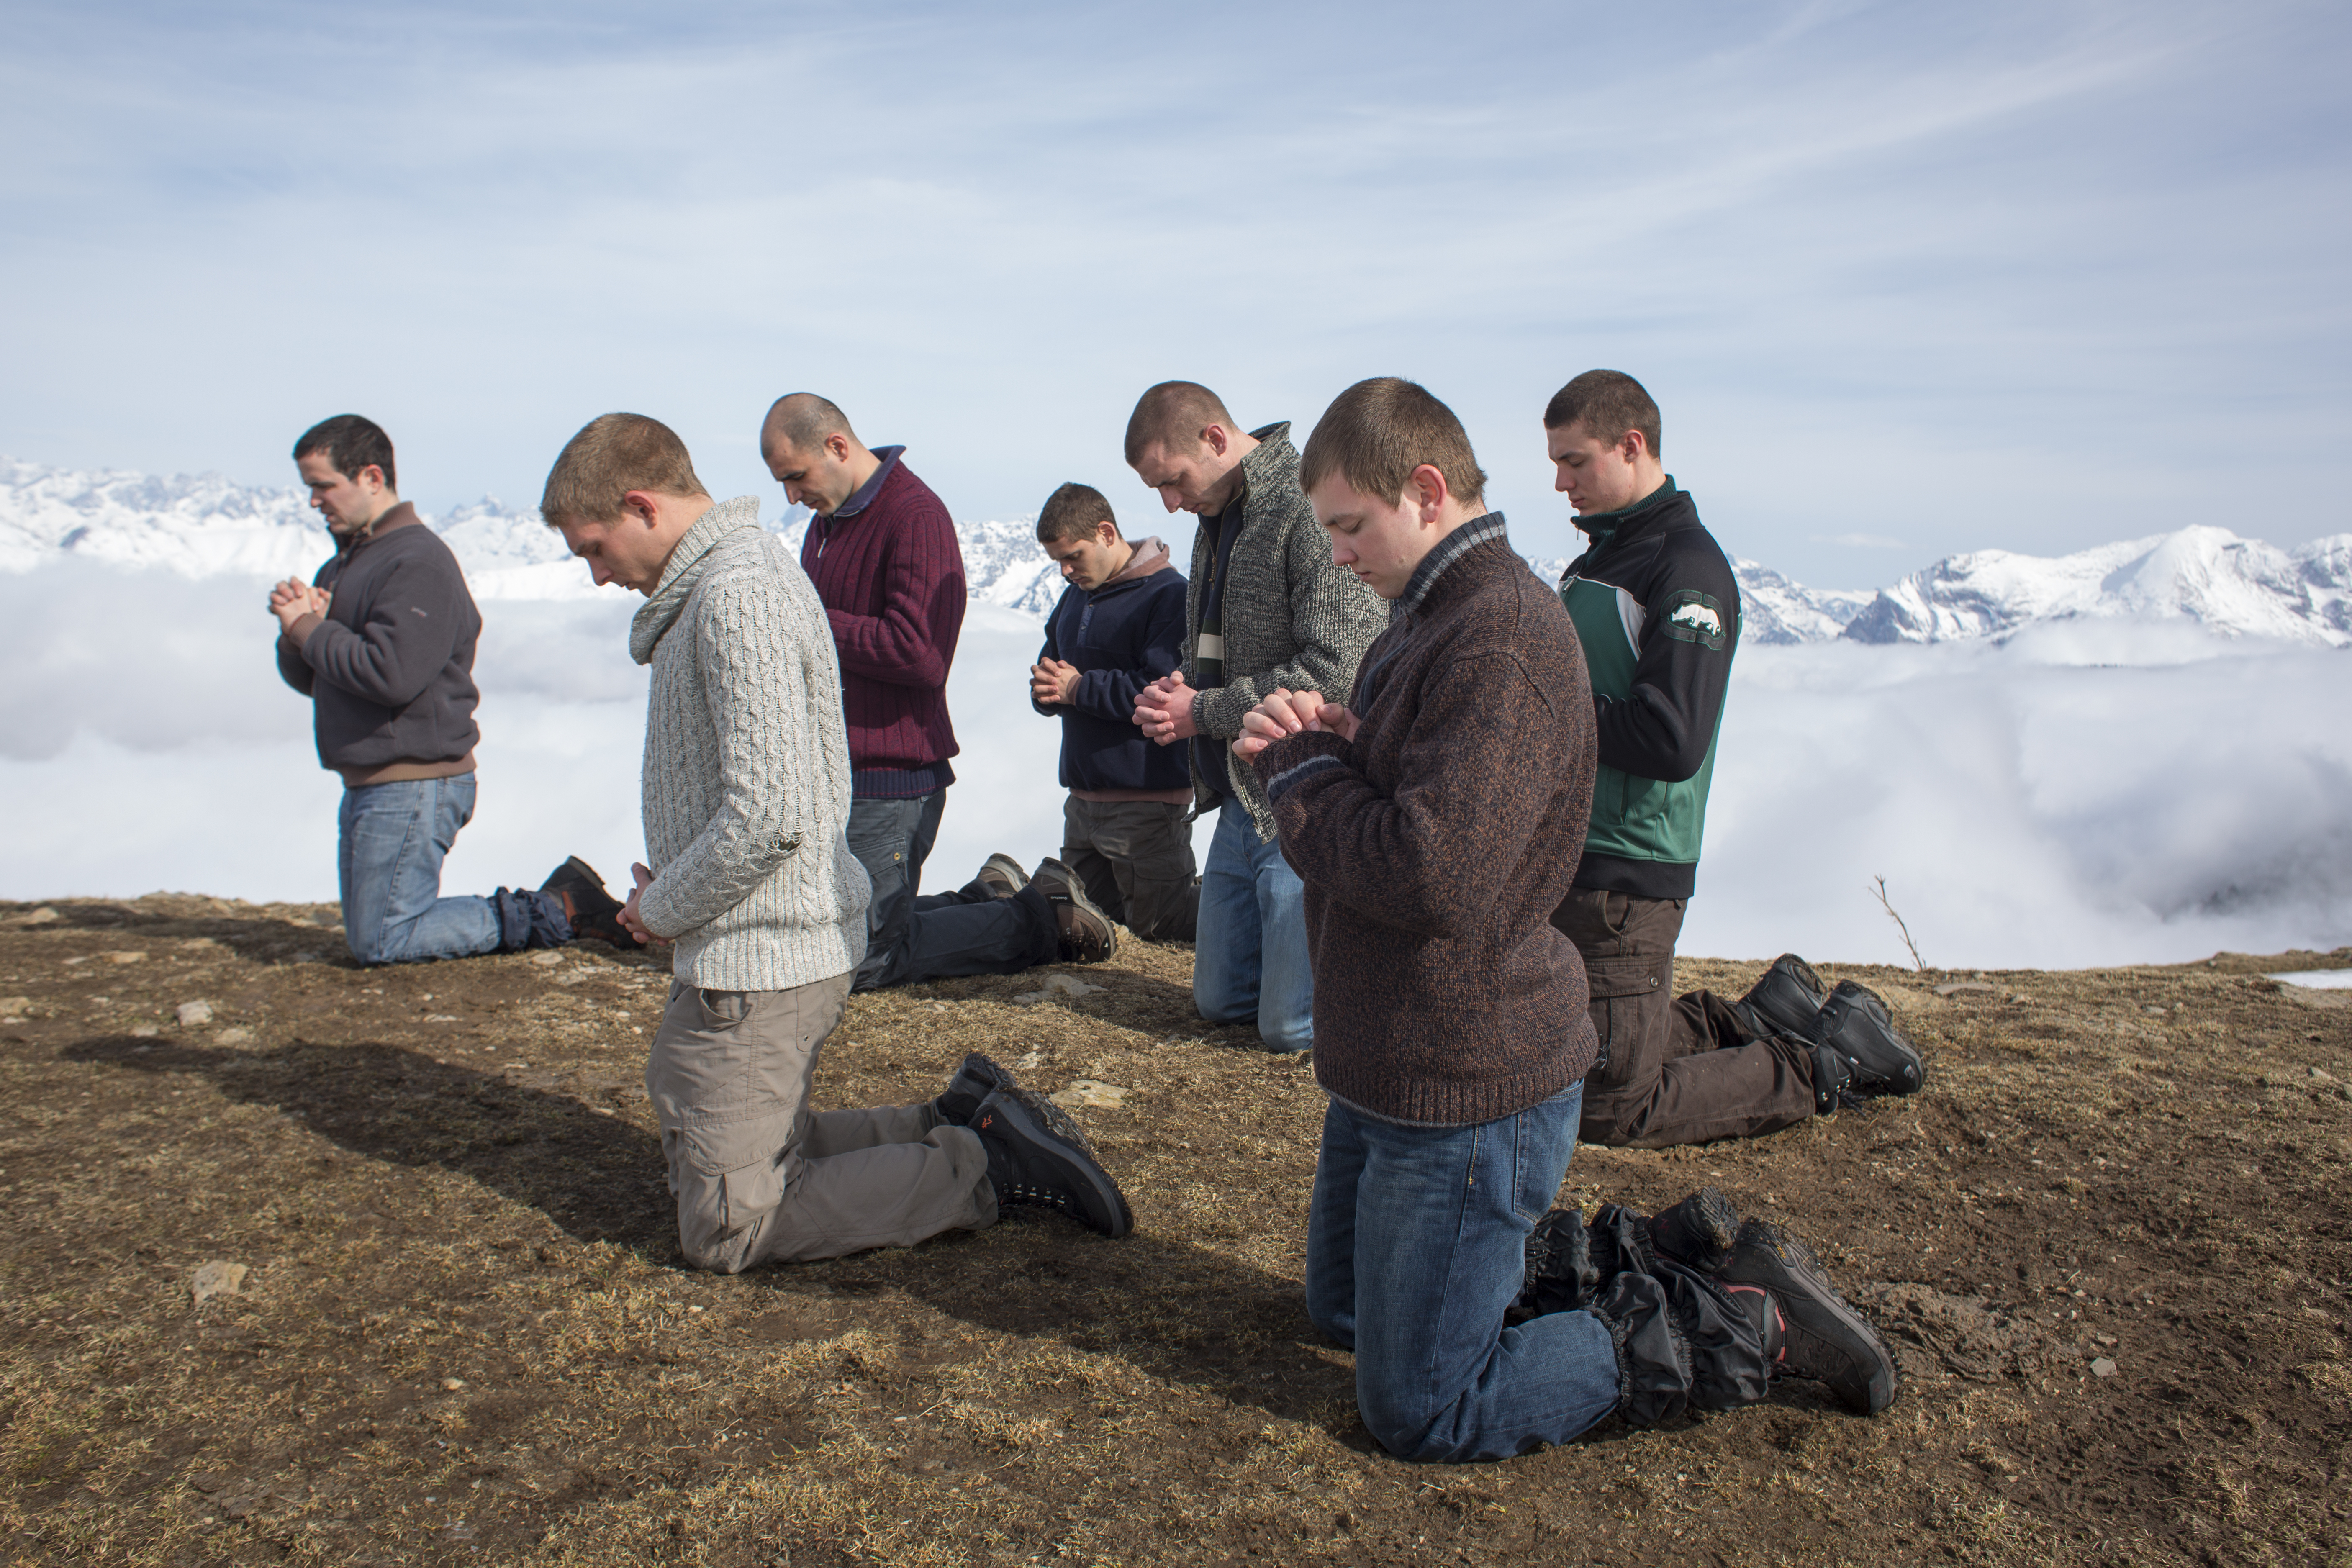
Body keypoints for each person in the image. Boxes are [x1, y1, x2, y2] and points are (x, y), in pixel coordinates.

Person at [1234, 376, 1895, 1461]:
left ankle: (1729, 1322)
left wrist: (1303, 772)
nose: (1339, 553)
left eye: (1350, 526)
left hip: (1461, 1079)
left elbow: (1432, 875)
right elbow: (1416, 802)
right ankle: (1627, 1258)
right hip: (1393, 1064)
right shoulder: (1431, 617)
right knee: (1341, 1315)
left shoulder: (1493, 637)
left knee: (1423, 1411)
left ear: (1428, 491)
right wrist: (1334, 742)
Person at [539, 412, 1132, 1270]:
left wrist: (663, 904)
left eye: (593, 547)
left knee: (729, 1223)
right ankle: (957, 1120)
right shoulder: (723, 582)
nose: (596, 575)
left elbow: (770, 814)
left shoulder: (736, 594)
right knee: (727, 1142)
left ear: (638, 505)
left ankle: (984, 1165)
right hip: (747, 941)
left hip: (764, 953)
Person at [1540, 371, 1926, 1150]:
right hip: (1577, 852)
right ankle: (1754, 1017)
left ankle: (1823, 1062)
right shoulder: (1601, 561)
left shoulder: (1686, 569)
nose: (1560, 482)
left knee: (1608, 1108)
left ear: (1632, 444)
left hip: (1627, 867)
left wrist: (1538, 717)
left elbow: (1671, 738)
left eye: (1574, 461)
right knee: (1556, 1059)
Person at [759, 393, 1115, 991]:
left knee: (863, 957)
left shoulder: (915, 515)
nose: (792, 496)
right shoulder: (826, 525)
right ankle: (989, 897)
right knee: (836, 934)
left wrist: (809, 620)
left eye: (796, 476)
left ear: (838, 447)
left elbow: (920, 653)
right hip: (837, 767)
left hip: (893, 774)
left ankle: (1041, 919)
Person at [269, 413, 631, 966]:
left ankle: (560, 907)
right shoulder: (347, 563)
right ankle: (560, 900)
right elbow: (319, 681)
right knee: (374, 933)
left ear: (371, 476)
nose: (315, 501)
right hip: (378, 778)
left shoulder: (415, 560)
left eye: (323, 485)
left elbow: (393, 674)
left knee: (384, 938)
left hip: (414, 780)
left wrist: (309, 629)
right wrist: (298, 637)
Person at [1124, 382, 1386, 1051]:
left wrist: (1200, 710)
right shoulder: (1217, 518)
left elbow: (1336, 669)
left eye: (1174, 480)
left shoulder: (1302, 505)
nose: (1170, 503)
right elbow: (1216, 644)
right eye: (1159, 489)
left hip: (1304, 790)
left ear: (1216, 438)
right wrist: (1185, 682)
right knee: (1219, 1004)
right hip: (1241, 793)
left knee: (1289, 1029)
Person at [996, 481, 1197, 943]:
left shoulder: (1168, 596)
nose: (1066, 571)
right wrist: (1046, 692)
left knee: (1161, 925)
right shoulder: (1075, 596)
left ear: (1107, 533)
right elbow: (1054, 670)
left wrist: (1078, 689)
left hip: (1147, 800)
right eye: (1057, 562)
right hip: (1084, 799)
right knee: (1086, 923)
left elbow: (1162, 693)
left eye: (1074, 556)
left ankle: (1252, 910)